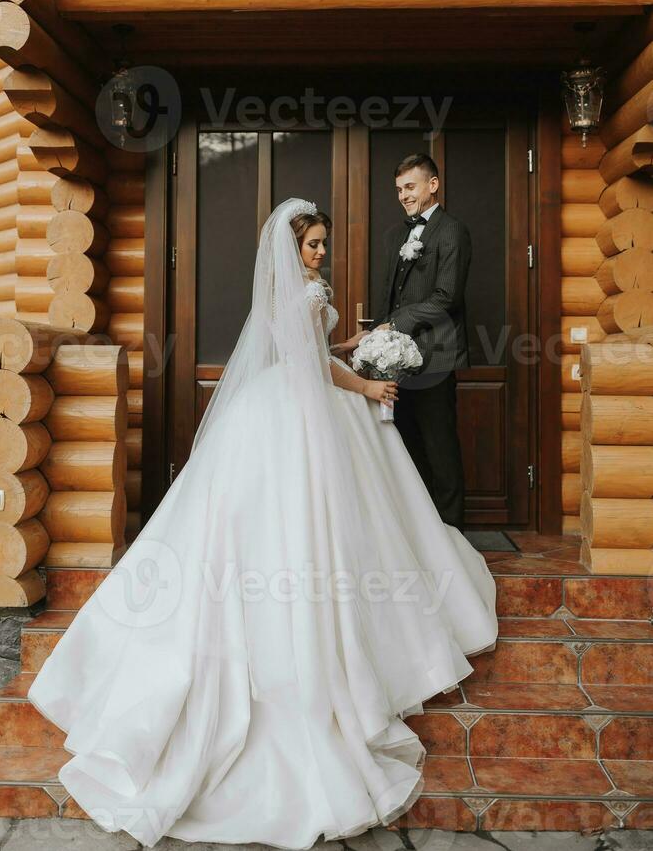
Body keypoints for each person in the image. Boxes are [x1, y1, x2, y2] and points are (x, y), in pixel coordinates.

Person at [27, 197, 497, 849]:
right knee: (313, 526)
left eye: (324, 245)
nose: (320, 254)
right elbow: (309, 365)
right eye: (312, 245)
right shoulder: (304, 294)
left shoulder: (291, 294)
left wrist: (349, 346)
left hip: (268, 409)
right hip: (300, 418)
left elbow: (299, 350)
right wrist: (363, 386)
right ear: (291, 247)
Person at [333, 154, 470, 531]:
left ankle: (452, 534)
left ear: (433, 184)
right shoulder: (395, 235)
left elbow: (447, 297)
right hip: (393, 362)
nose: (403, 196)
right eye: (399, 190)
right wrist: (374, 348)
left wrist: (393, 325)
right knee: (404, 446)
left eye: (410, 187)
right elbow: (389, 298)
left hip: (436, 357)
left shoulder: (452, 231)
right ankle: (419, 533)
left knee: (439, 447)